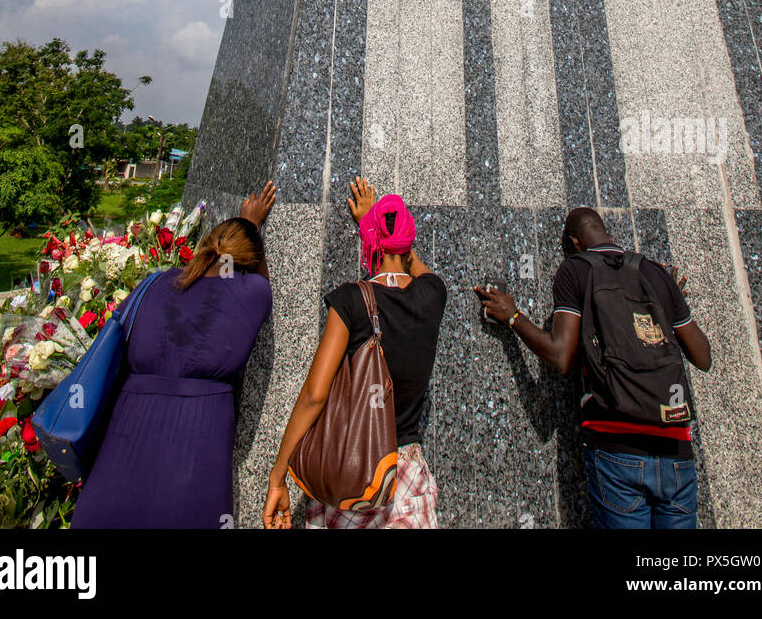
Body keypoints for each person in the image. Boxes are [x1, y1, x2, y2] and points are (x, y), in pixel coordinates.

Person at [475, 206, 712, 530]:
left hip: (618, 449)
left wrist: (514, 317)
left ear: (573, 242)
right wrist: (668, 304)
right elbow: (703, 357)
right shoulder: (655, 273)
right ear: (606, 232)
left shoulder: (575, 270)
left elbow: (561, 357)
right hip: (675, 449)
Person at [70, 181, 276, 529]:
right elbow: (260, 279)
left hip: (127, 430)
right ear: (249, 259)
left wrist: (236, 231)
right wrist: (252, 226)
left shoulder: (155, 282)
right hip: (198, 433)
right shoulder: (251, 293)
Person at [262, 177, 447, 529]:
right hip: (406, 473)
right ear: (409, 246)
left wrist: (278, 473)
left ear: (372, 242)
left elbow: (315, 395)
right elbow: (417, 268)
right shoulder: (434, 295)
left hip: (352, 471)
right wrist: (382, 230)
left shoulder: (350, 301)